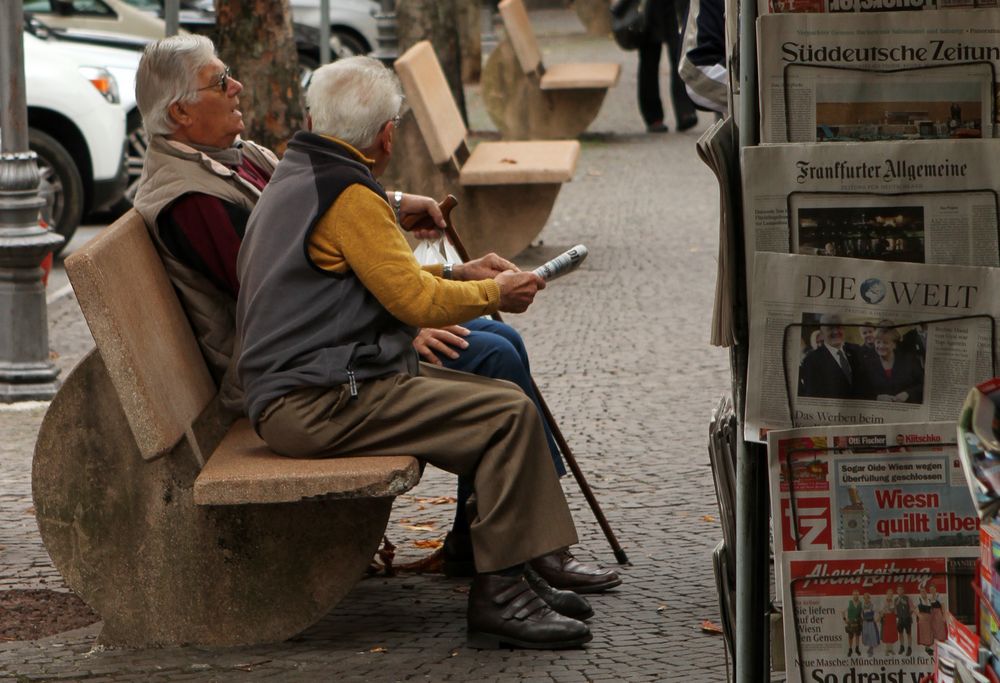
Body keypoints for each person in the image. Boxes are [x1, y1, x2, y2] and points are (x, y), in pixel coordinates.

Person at [131, 35, 619, 599]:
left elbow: (320, 228)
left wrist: (409, 232)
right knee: (496, 375)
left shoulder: (253, 158)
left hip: (321, 361)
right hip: (310, 377)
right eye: (220, 82)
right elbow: (292, 284)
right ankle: (509, 571)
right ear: (180, 112)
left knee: (494, 358)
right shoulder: (191, 199)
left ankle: (499, 548)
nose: (236, 86)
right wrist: (417, 318)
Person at [235, 55, 604, 649]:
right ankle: (502, 596)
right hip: (316, 402)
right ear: (386, 136)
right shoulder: (348, 195)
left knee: (504, 397)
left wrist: (459, 275)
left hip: (311, 387)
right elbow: (412, 301)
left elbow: (381, 280)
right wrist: (495, 293)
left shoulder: (302, 168)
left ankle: (509, 572)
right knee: (506, 415)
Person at [638, 0, 698, 133]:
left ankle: (685, 111)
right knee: (649, 58)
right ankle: (653, 117)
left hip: (676, 5)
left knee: (680, 52)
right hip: (650, 6)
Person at [798, 314, 867, 400]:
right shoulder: (811, 360)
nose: (836, 332)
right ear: (822, 333)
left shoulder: (857, 350)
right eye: (830, 328)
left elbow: (866, 383)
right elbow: (813, 396)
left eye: (839, 327)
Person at [860, 324, 923, 404]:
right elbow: (861, 391)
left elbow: (923, 384)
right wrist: (877, 397)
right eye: (878, 342)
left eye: (885, 342)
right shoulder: (867, 364)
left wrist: (908, 393)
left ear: (894, 345)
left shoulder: (909, 360)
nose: (881, 346)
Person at [895, 585, 913, 656]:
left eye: (901, 589)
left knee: (909, 634)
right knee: (900, 633)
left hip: (907, 618)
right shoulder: (896, 599)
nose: (900, 591)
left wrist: (908, 614)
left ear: (903, 591)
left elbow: (912, 608)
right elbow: (895, 609)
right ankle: (902, 646)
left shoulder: (907, 598)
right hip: (900, 619)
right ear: (897, 591)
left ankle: (909, 648)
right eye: (898, 590)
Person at [843, 590, 863, 657]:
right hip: (850, 622)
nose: (855, 596)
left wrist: (862, 620)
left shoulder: (861, 603)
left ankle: (857, 649)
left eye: (857, 594)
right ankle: (850, 649)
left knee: (857, 636)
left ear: (858, 595)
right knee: (850, 637)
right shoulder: (849, 602)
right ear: (852, 595)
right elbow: (843, 611)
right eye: (854, 594)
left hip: (858, 622)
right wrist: (845, 619)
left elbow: (863, 612)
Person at [880, 589, 898, 655]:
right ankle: (887, 650)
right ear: (886, 594)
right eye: (889, 593)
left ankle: (891, 649)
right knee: (887, 634)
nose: (890, 595)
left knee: (892, 634)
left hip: (892, 619)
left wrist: (895, 613)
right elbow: (881, 611)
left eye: (891, 594)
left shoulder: (894, 602)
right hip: (886, 618)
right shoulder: (883, 602)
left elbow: (895, 611)